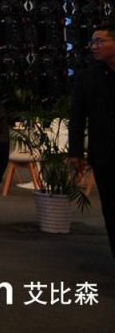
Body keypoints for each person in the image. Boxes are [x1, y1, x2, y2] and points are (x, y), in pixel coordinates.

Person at [70, 19, 115, 261]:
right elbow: (77, 118)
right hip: (105, 155)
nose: (94, 46)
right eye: (93, 42)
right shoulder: (86, 78)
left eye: (100, 41)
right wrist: (75, 152)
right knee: (110, 209)